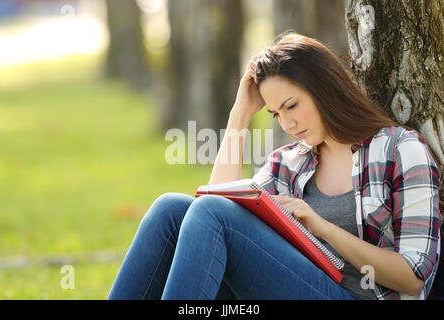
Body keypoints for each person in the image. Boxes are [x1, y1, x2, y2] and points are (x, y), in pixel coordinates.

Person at [107, 32, 441, 300]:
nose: (288, 123)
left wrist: (320, 226)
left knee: (209, 212)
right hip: (298, 286)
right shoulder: (290, 162)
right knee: (171, 209)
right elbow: (212, 208)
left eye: (292, 105)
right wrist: (239, 115)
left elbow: (411, 278)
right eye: (276, 113)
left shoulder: (400, 149)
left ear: (325, 88)